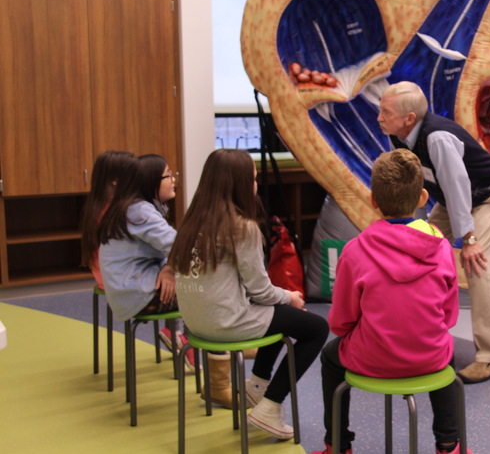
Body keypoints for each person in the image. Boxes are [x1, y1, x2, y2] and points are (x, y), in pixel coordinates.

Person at [312, 149, 470, 454]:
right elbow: (448, 317)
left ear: (373, 200)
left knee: (330, 359)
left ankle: (338, 445)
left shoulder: (355, 251)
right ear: (423, 198)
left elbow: (341, 322)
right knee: (445, 349)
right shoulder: (440, 246)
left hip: (371, 357)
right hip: (429, 357)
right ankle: (449, 445)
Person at [169, 149, 328, 439]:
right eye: (253, 179)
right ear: (239, 184)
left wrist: (284, 302)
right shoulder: (241, 228)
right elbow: (261, 290)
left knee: (284, 317)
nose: (256, 185)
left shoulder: (191, 223)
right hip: (225, 323)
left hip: (194, 324)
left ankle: (257, 385)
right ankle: (270, 405)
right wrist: (290, 296)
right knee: (316, 327)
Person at [378, 81, 490, 384]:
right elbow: (419, 188)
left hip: (486, 195)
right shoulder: (399, 137)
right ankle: (420, 340)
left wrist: (470, 240)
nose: (379, 118)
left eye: (385, 112)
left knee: (477, 265)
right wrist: (413, 231)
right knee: (414, 252)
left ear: (409, 118)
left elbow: (458, 189)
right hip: (454, 199)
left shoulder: (436, 138)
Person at [96, 153, 195, 371]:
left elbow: (171, 247)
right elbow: (181, 247)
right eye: (168, 175)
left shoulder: (132, 206)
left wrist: (169, 268)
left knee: (195, 280)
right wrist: (170, 267)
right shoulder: (140, 211)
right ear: (150, 181)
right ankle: (194, 348)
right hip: (138, 293)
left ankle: (184, 341)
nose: (173, 180)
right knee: (206, 289)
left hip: (130, 288)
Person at [80, 150, 136, 290]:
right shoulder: (119, 209)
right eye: (133, 172)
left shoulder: (99, 206)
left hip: (105, 278)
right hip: (121, 281)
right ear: (115, 180)